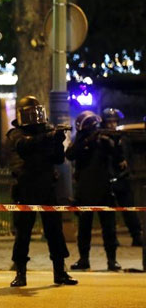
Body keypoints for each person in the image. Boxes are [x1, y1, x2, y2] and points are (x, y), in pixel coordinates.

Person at [6, 95, 77, 287]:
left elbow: (58, 160)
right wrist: (46, 137)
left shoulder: (45, 133)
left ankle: (60, 271)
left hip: (47, 188)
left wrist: (57, 141)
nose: (35, 117)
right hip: (26, 190)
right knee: (23, 234)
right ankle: (20, 273)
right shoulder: (16, 134)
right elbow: (24, 147)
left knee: (55, 231)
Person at [66, 110, 122, 271]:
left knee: (109, 229)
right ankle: (84, 259)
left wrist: (113, 141)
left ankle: (112, 260)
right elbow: (70, 154)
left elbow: (117, 157)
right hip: (85, 191)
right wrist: (85, 142)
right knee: (84, 229)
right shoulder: (81, 140)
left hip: (104, 190)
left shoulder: (104, 140)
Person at [102, 107, 142, 246]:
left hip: (122, 178)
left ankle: (136, 236)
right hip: (108, 179)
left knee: (129, 210)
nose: (112, 125)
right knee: (109, 214)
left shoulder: (123, 138)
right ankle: (112, 240)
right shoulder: (103, 139)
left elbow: (128, 156)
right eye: (109, 122)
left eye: (114, 122)